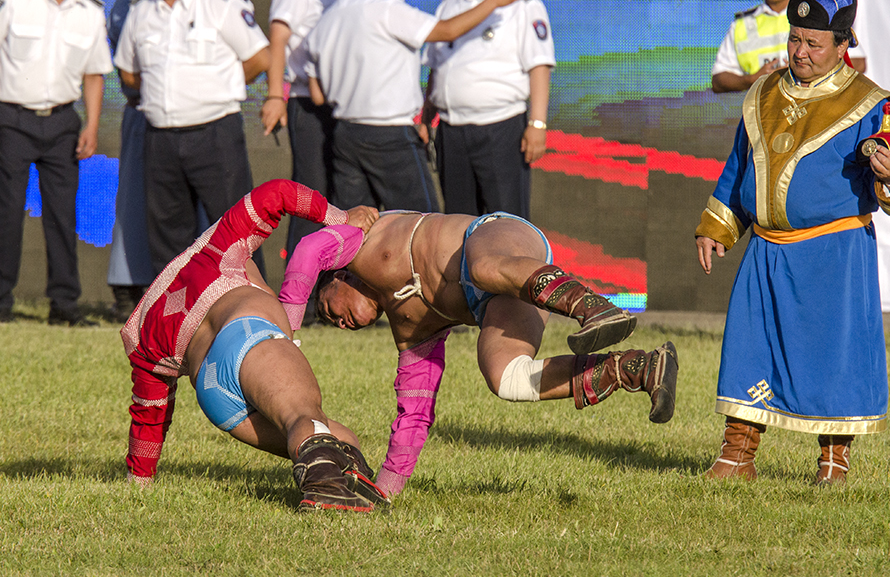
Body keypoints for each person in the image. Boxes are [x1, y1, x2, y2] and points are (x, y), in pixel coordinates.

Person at [278, 210, 676, 497]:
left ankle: (593, 307)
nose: (336, 321)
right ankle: (636, 369)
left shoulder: (364, 237)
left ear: (339, 276)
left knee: (483, 266)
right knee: (506, 378)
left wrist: (287, 332)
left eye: (327, 308)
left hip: (495, 237)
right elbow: (415, 412)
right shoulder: (409, 330)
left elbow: (308, 252)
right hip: (498, 300)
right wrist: (385, 490)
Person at [695, 0, 890, 485]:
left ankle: (833, 462)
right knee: (751, 345)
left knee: (833, 355)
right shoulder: (762, 93)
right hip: (767, 250)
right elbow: (739, 167)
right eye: (795, 40)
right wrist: (716, 225)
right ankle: (737, 455)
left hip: (834, 254)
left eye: (814, 43)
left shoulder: (868, 103)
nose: (800, 52)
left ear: (842, 46)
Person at [122, 178, 389, 512]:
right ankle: (324, 490)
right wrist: (339, 216)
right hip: (246, 336)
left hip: (217, 399)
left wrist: (139, 485)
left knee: (339, 439)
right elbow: (277, 192)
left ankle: (347, 484)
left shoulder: (142, 331)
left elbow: (149, 417)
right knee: (302, 416)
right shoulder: (216, 247)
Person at [302, 0, 533, 214]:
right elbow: (446, 31)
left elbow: (317, 94)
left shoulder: (323, 24)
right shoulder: (384, 10)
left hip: (345, 135)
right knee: (424, 228)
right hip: (390, 135)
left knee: (356, 231)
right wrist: (494, 1)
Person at [0, 0, 112, 326]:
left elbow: (95, 75)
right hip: (11, 119)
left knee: (64, 216)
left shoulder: (91, 10)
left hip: (64, 122)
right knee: (6, 213)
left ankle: (64, 307)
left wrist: (92, 126)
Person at [113, 0, 271, 277]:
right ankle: (176, 326)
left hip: (214, 134)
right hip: (162, 138)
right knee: (168, 239)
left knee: (236, 232)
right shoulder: (140, 12)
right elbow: (127, 72)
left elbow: (261, 58)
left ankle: (254, 316)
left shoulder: (220, 5)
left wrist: (219, 84)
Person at [261, 0, 377, 284]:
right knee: (311, 198)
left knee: (348, 195)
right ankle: (303, 293)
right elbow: (278, 38)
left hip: (349, 104)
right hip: (308, 103)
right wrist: (275, 95)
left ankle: (343, 287)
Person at [421, 0, 555, 219]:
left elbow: (539, 66)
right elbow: (436, 68)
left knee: (507, 227)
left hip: (500, 128)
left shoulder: (524, 4)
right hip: (451, 131)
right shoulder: (450, 6)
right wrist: (425, 117)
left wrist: (538, 124)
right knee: (457, 227)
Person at [105, 0, 155, 322]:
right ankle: (127, 287)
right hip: (146, 109)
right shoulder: (134, 3)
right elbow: (126, 64)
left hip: (201, 119)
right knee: (134, 200)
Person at [711, 0, 802, 93]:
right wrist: (752, 79)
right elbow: (718, 80)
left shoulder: (818, 12)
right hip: (763, 114)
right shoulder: (743, 23)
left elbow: (855, 63)